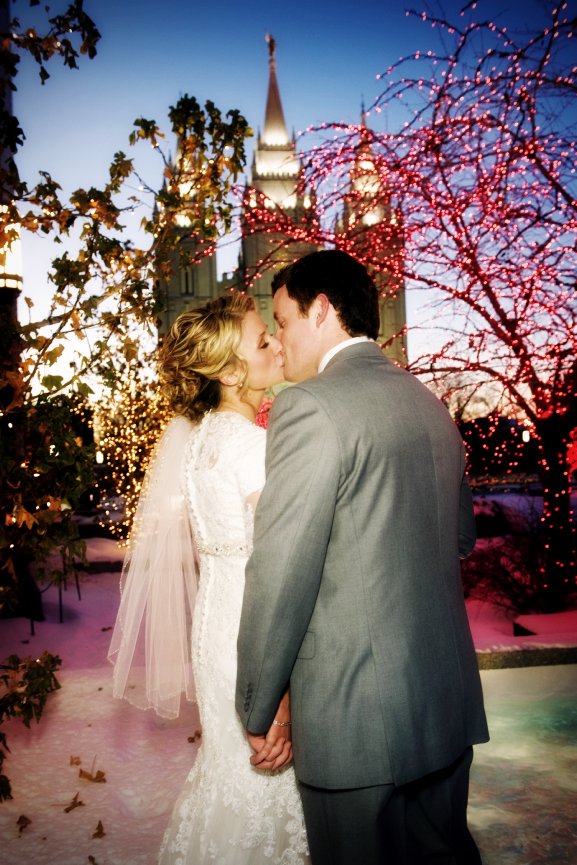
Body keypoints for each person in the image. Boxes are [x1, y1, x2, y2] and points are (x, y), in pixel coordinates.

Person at [236, 250, 489, 865]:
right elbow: (458, 539)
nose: (279, 339)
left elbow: (281, 572)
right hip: (444, 702)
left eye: (284, 320)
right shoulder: (429, 402)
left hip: (356, 718)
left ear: (322, 311)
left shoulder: (309, 406)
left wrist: (258, 703)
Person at [108, 294, 310, 865]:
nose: (276, 344)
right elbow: (276, 569)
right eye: (262, 340)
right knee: (265, 781)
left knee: (233, 772)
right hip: (254, 630)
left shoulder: (201, 439)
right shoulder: (252, 446)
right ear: (229, 372)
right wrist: (280, 703)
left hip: (218, 627)